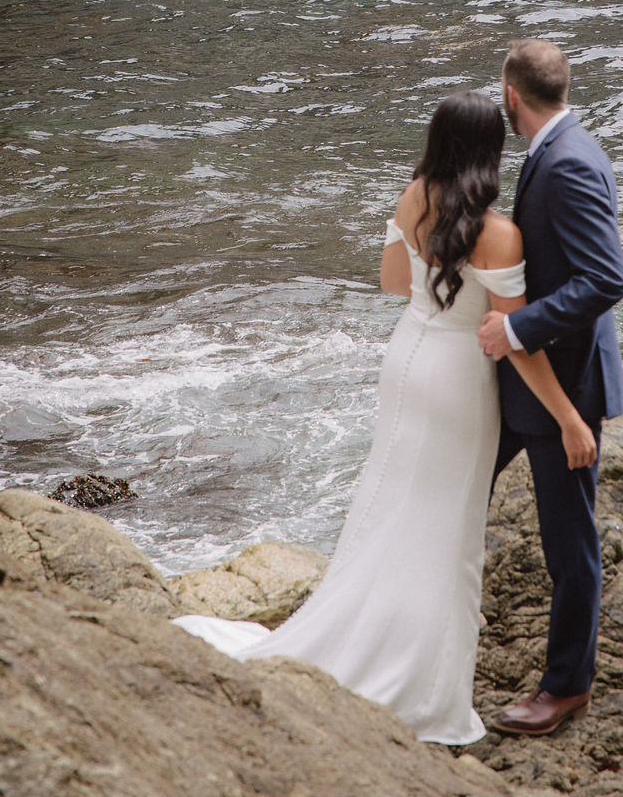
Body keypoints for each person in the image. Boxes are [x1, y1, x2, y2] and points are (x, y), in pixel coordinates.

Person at [174, 90, 597, 744]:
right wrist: (569, 417)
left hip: (406, 360)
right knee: (446, 526)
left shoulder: (413, 198)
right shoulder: (500, 232)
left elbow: (394, 284)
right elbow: (521, 345)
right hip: (458, 379)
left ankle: (363, 626)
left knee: (393, 500)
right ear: (490, 152)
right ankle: (420, 678)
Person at [477, 38, 623, 737]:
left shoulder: (566, 163)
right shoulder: (566, 148)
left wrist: (516, 331)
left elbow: (605, 280)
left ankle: (566, 687)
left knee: (571, 547)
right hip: (531, 383)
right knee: (458, 490)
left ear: (512, 97)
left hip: (560, 386)